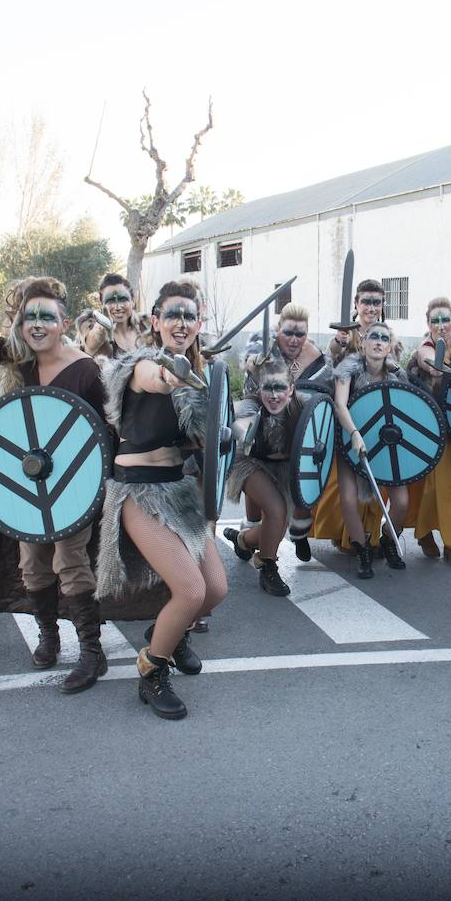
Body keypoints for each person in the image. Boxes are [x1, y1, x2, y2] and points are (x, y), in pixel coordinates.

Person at [0, 277, 109, 694]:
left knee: (70, 564)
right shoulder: (24, 362)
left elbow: (105, 430)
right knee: (32, 566)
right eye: (29, 317)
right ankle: (49, 636)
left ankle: (92, 652)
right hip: (29, 486)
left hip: (72, 486)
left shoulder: (86, 370)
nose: (37, 325)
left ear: (64, 322)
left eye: (46, 317)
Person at [96, 280, 227, 720]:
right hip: (138, 492)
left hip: (180, 489)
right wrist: (176, 373)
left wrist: (225, 430)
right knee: (190, 591)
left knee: (216, 591)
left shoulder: (200, 377)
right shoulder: (139, 366)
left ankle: (169, 634)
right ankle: (152, 672)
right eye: (172, 314)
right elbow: (160, 379)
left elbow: (205, 439)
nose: (181, 322)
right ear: (154, 321)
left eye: (189, 316)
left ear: (199, 324)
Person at [313, 279, 398, 552]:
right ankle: (351, 539)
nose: (371, 307)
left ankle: (372, 538)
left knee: (376, 488)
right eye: (366, 301)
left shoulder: (388, 336)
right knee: (345, 490)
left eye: (376, 301)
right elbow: (328, 370)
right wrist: (338, 344)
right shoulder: (344, 335)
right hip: (347, 417)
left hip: (379, 422)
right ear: (356, 304)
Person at [221, 359, 308, 595]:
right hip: (249, 461)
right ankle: (268, 567)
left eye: (280, 387)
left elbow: (323, 426)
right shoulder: (251, 405)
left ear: (291, 389)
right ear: (259, 389)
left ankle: (243, 541)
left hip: (283, 466)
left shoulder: (303, 406)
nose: (274, 394)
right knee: (276, 510)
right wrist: (242, 428)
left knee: (278, 527)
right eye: (268, 387)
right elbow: (242, 424)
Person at [332, 320, 411, 578]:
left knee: (401, 501)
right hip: (349, 440)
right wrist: (354, 433)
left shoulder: (397, 375)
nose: (378, 342)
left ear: (389, 346)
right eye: (373, 336)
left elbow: (406, 412)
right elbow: (340, 405)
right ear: (363, 341)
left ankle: (388, 539)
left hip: (386, 445)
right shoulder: (348, 370)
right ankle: (362, 549)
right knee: (348, 498)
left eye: (384, 338)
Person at [405, 297, 451, 565]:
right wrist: (433, 363)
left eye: (446, 319)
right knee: (431, 488)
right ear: (428, 324)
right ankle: (425, 534)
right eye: (435, 320)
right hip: (432, 428)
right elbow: (426, 361)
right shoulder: (424, 348)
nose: (441, 324)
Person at [78, 273, 147, 359]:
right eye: (110, 301)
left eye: (123, 299)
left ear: (133, 301)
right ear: (101, 303)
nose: (117, 307)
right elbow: (90, 343)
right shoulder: (93, 327)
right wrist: (102, 328)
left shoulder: (145, 327)